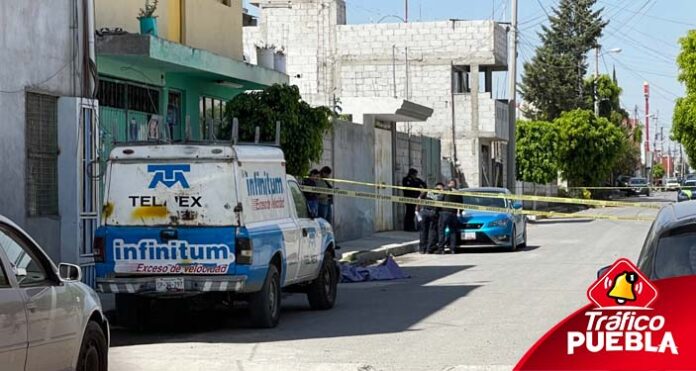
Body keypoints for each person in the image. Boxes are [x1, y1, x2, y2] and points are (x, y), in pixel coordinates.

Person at [417, 182, 445, 254]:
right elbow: (440, 203)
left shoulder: (428, 190)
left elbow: (419, 198)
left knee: (423, 231)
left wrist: (418, 209)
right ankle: (429, 249)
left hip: (424, 211)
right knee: (431, 231)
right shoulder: (440, 194)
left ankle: (422, 249)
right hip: (433, 212)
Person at [437, 179, 463, 254]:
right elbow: (461, 204)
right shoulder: (458, 192)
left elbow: (439, 200)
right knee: (453, 232)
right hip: (453, 214)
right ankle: (453, 249)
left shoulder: (444, 191)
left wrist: (437, 211)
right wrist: (460, 213)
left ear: (448, 184)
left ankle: (441, 249)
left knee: (441, 231)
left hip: (444, 212)